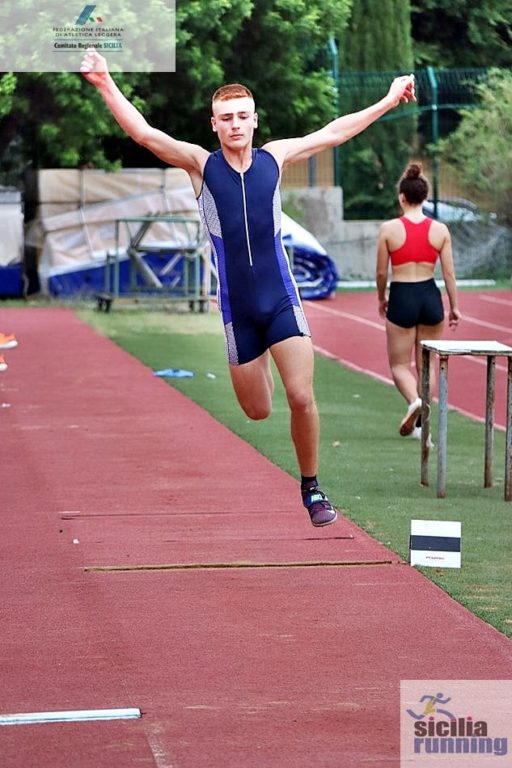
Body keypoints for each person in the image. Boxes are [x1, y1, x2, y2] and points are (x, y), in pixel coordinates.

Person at [81, 49, 415, 527]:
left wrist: (387, 99)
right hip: (238, 310)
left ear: (255, 120)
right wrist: (105, 81)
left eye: (242, 116)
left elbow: (334, 131)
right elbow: (144, 133)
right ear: (213, 124)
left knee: (301, 396)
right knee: (258, 411)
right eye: (225, 118)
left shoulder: (275, 158)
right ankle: (264, 359)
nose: (235, 124)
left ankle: (312, 487)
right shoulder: (200, 165)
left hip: (281, 298)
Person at [376, 162, 461, 442]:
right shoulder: (440, 230)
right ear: (424, 197)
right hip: (429, 296)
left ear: (402, 197)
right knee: (427, 365)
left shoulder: (389, 229)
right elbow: (448, 273)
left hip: (402, 295)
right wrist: (454, 306)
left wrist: (381, 298)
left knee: (400, 366)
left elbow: (380, 272)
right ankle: (423, 424)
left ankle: (414, 401)